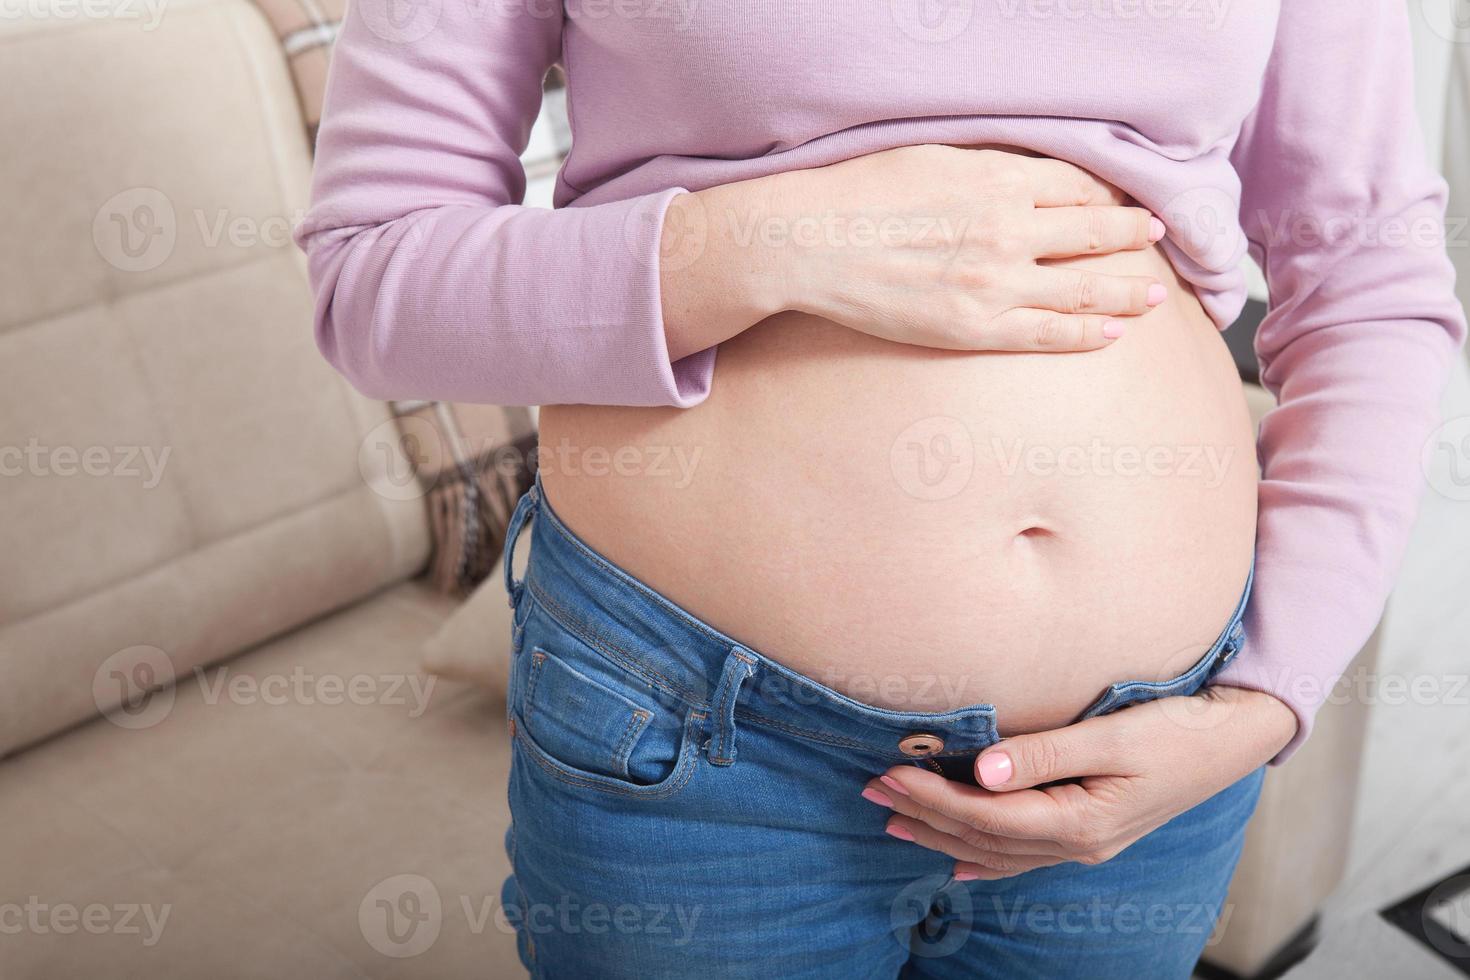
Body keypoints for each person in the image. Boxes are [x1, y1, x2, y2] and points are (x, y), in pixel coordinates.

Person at [296, 2, 1466, 975]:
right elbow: (373, 276)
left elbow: (1367, 268)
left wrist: (1264, 699)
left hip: (1143, 749)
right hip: (700, 754)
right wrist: (775, 241)